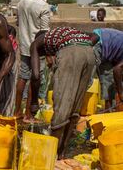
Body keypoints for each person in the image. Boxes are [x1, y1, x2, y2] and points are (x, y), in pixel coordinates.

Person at [30, 27, 96, 158]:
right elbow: (95, 35)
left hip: (71, 53)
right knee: (74, 109)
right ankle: (62, 154)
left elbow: (36, 75)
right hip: (89, 53)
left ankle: (49, 157)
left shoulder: (36, 44)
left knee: (62, 105)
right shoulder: (66, 33)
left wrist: (33, 102)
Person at [14, 0, 50, 120]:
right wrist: (48, 53)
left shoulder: (21, 3)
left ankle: (17, 112)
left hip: (24, 47)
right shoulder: (43, 6)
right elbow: (44, 33)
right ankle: (28, 114)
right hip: (38, 50)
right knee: (35, 80)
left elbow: (19, 23)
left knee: (23, 78)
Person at [92, 28, 123, 109]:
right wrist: (120, 93)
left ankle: (108, 110)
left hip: (108, 52)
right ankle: (74, 111)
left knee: (108, 81)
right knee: (87, 80)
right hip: (99, 43)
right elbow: (117, 69)